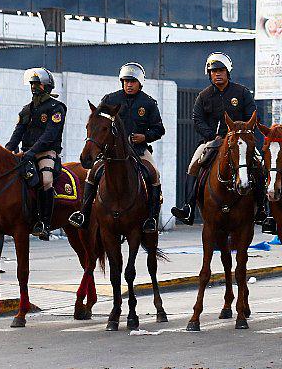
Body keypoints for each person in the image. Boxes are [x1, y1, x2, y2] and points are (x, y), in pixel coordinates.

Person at [70, 63, 165, 233]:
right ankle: (83, 214)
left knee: (154, 174)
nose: (129, 85)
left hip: (139, 151)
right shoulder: (110, 100)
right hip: (111, 152)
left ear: (140, 83)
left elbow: (159, 129)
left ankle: (151, 218)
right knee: (92, 174)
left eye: (132, 82)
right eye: (126, 81)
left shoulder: (149, 103)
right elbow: (97, 120)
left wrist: (145, 137)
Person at [170, 52, 262, 226]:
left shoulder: (242, 92)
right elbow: (197, 120)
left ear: (228, 72)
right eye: (213, 71)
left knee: (260, 164)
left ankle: (263, 209)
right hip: (212, 141)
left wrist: (240, 132)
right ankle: (188, 208)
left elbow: (253, 116)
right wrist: (212, 135)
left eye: (221, 70)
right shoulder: (203, 96)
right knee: (193, 166)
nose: (217, 74)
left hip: (239, 141)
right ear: (209, 74)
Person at [6, 68, 67, 238]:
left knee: (46, 180)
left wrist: (33, 152)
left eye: (37, 84)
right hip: (26, 153)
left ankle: (45, 223)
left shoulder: (56, 108)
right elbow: (18, 132)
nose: (33, 87)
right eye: (32, 84)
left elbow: (50, 135)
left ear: (46, 86)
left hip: (46, 152)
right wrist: (7, 150)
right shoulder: (27, 109)